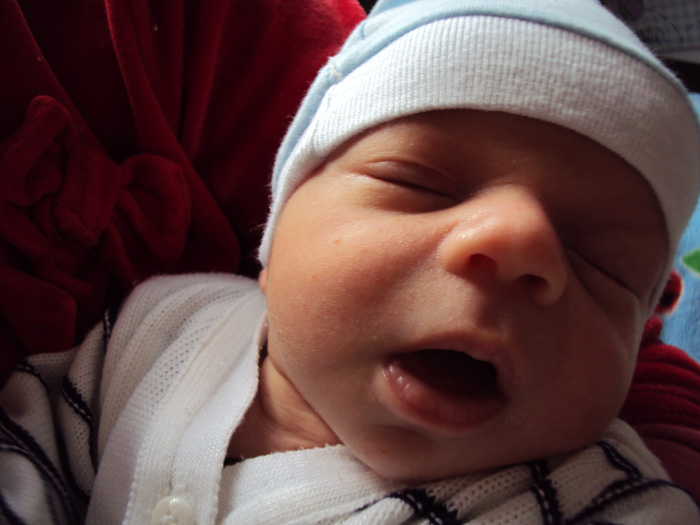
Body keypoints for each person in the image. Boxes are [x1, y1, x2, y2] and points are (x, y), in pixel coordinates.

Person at [2, 0, 700, 522]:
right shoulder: (163, 329)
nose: (519, 243)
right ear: (275, 232)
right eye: (420, 184)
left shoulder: (606, 498)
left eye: (600, 262)